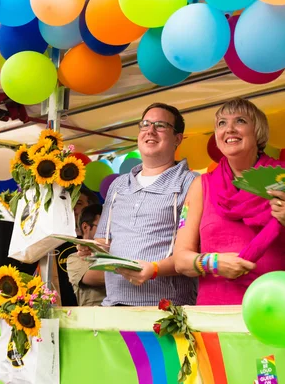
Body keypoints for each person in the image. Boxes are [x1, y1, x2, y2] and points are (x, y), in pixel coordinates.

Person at [173, 98, 285, 305]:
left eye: (240, 121)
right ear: (217, 137)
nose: (229, 129)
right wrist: (214, 263)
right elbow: (180, 260)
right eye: (221, 123)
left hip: (284, 308)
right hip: (218, 315)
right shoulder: (201, 186)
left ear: (258, 132)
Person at [77, 103, 198, 306]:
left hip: (166, 310)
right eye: (145, 124)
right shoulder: (118, 185)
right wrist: (90, 250)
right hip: (114, 305)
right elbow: (104, 242)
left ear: (177, 138)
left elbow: (192, 252)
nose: (150, 131)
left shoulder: (190, 182)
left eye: (160, 125)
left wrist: (155, 269)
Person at [53, 187, 100, 306]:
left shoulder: (101, 245)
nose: (72, 207)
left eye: (78, 203)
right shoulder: (53, 241)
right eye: (68, 202)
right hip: (60, 307)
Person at [67, 204, 106, 306]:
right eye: (104, 227)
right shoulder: (75, 258)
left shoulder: (117, 252)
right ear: (85, 227)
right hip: (93, 319)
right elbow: (102, 278)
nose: (109, 232)